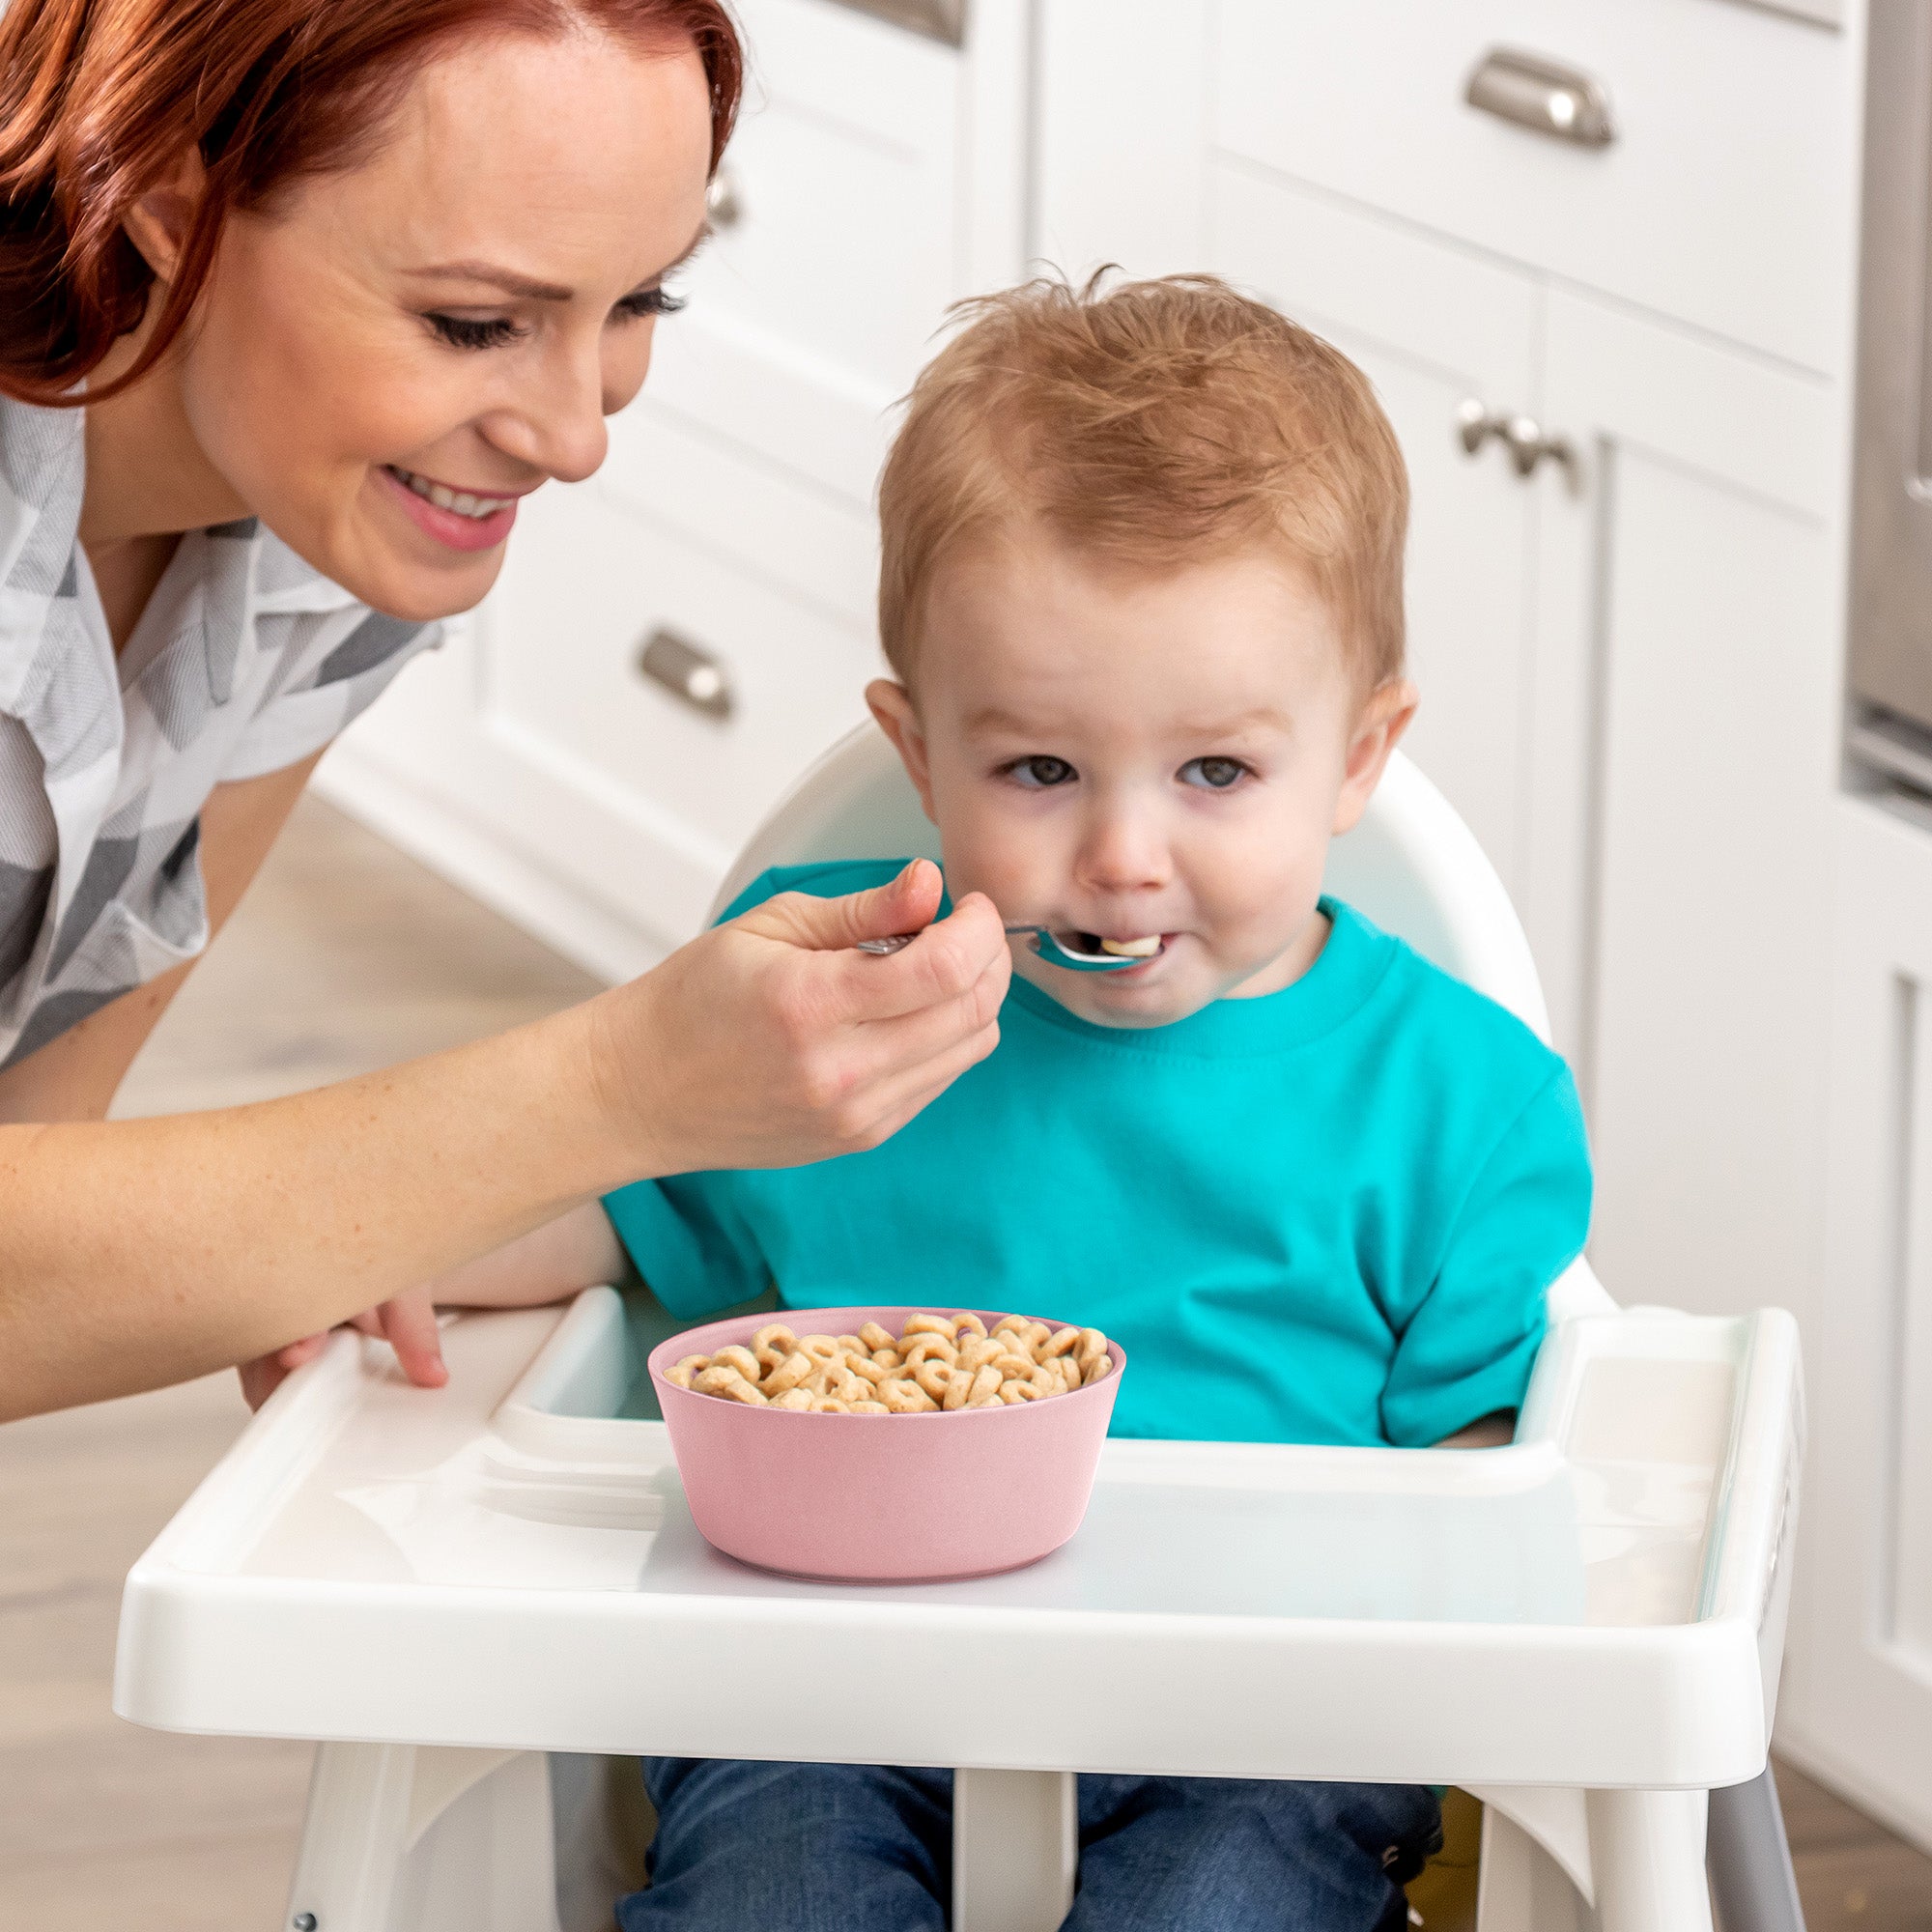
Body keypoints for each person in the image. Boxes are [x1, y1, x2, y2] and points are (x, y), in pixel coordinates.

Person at [386, 272, 1595, 1930]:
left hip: (1261, 1723)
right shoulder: (820, 1009)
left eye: (1218, 775)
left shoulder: (1458, 1108)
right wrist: (390, 1236)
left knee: (1223, 1904)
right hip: (825, 1672)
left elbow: (1489, 1504)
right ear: (921, 746)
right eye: (1038, 770)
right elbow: (604, 1199)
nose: (1119, 855)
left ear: (1361, 755)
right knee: (769, 1893)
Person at [0, 0, 1011, 1425]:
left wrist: (316, 1235)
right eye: (476, 322)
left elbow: (34, 1183)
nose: (577, 436)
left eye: (640, 301)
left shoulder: (322, 547)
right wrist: (621, 1086)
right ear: (173, 209)